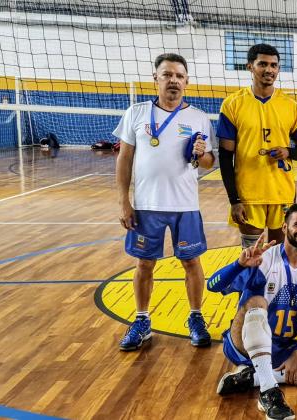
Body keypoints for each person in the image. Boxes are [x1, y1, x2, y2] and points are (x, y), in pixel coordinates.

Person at [114, 53, 215, 351]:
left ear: (187, 81)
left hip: (185, 206)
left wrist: (201, 153)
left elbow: (208, 161)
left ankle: (196, 317)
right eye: (167, 75)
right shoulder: (136, 113)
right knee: (144, 263)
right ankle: (142, 320)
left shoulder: (198, 117)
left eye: (179, 76)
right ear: (155, 78)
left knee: (191, 261)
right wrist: (123, 200)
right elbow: (125, 158)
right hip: (146, 206)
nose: (173, 80)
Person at [208, 203, 297, 420]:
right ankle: (269, 392)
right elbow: (213, 286)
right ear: (284, 227)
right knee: (257, 300)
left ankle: (252, 378)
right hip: (242, 344)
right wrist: (240, 265)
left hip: (282, 346)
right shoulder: (265, 259)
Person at [217, 43, 297, 249]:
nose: (269, 70)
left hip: (282, 193)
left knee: (278, 254)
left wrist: (288, 151)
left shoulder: (291, 106)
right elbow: (224, 157)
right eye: (263, 64)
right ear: (250, 66)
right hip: (249, 193)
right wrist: (234, 200)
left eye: (274, 65)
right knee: (252, 254)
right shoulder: (233, 104)